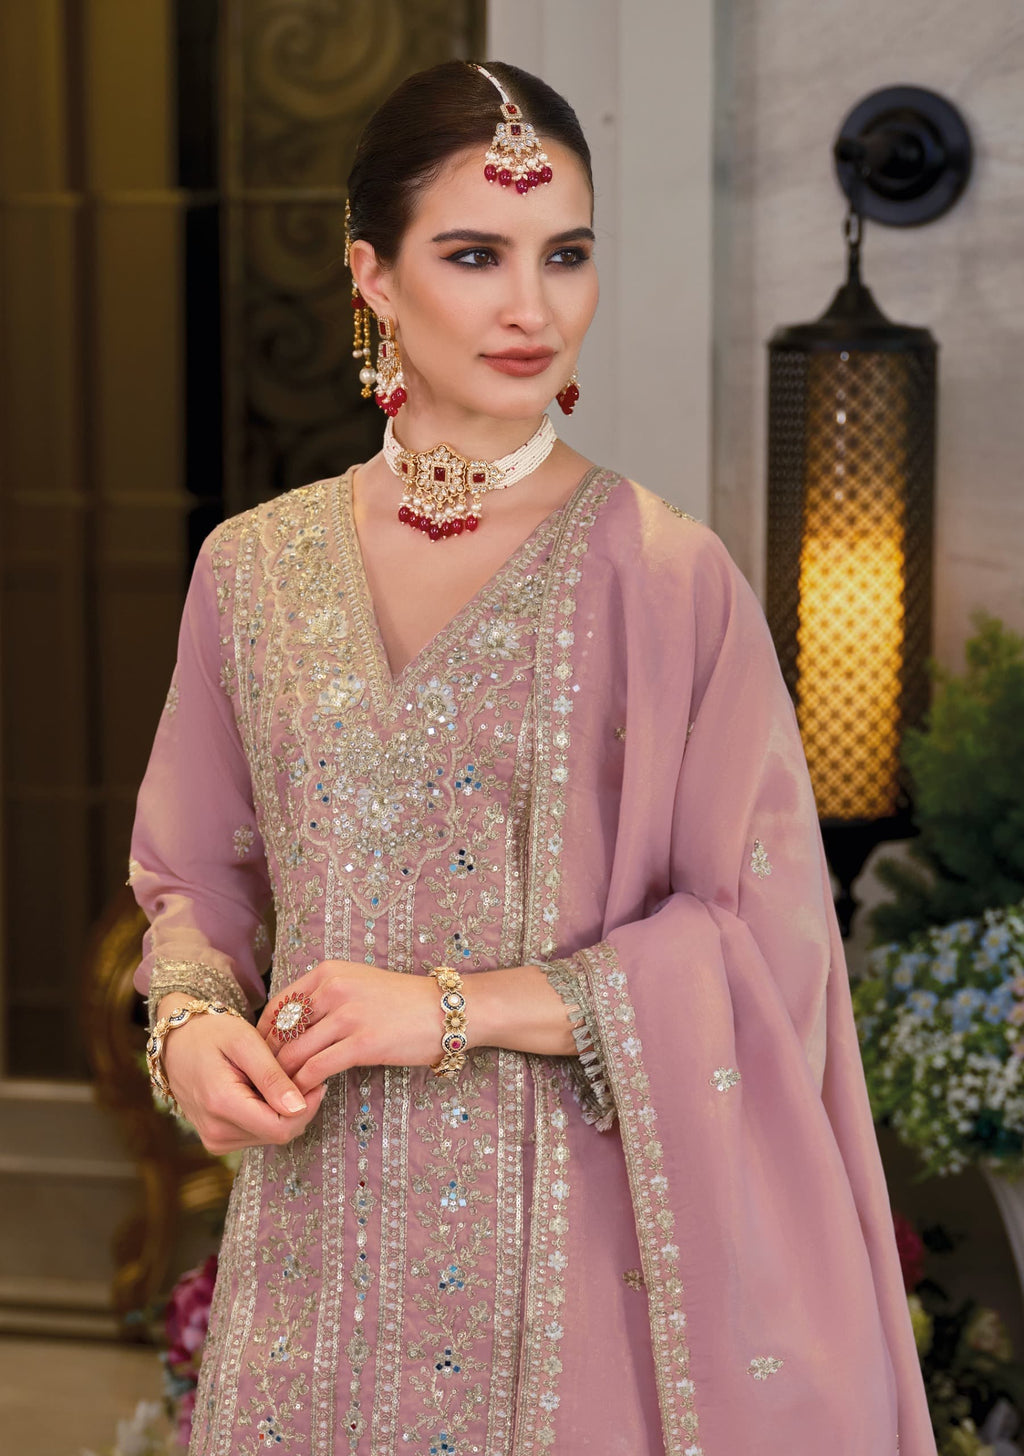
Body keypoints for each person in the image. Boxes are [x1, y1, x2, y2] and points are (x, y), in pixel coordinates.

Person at [128, 58, 936, 1456]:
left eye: (565, 254)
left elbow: (761, 950)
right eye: (474, 254)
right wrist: (190, 1025)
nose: (531, 306)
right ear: (371, 276)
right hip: (309, 1272)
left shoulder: (668, 581)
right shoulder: (249, 573)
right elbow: (195, 880)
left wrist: (445, 1010)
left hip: (577, 1283)